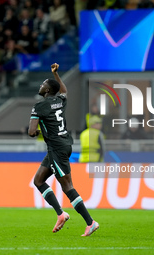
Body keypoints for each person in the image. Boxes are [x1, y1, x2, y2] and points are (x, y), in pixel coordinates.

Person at [28, 63, 99, 236]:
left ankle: (90, 222)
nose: (40, 86)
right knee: (38, 180)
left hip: (56, 148)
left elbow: (31, 132)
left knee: (67, 186)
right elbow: (64, 91)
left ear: (47, 91)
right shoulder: (60, 101)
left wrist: (36, 130)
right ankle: (61, 214)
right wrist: (56, 74)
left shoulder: (40, 107)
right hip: (62, 145)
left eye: (43, 84)